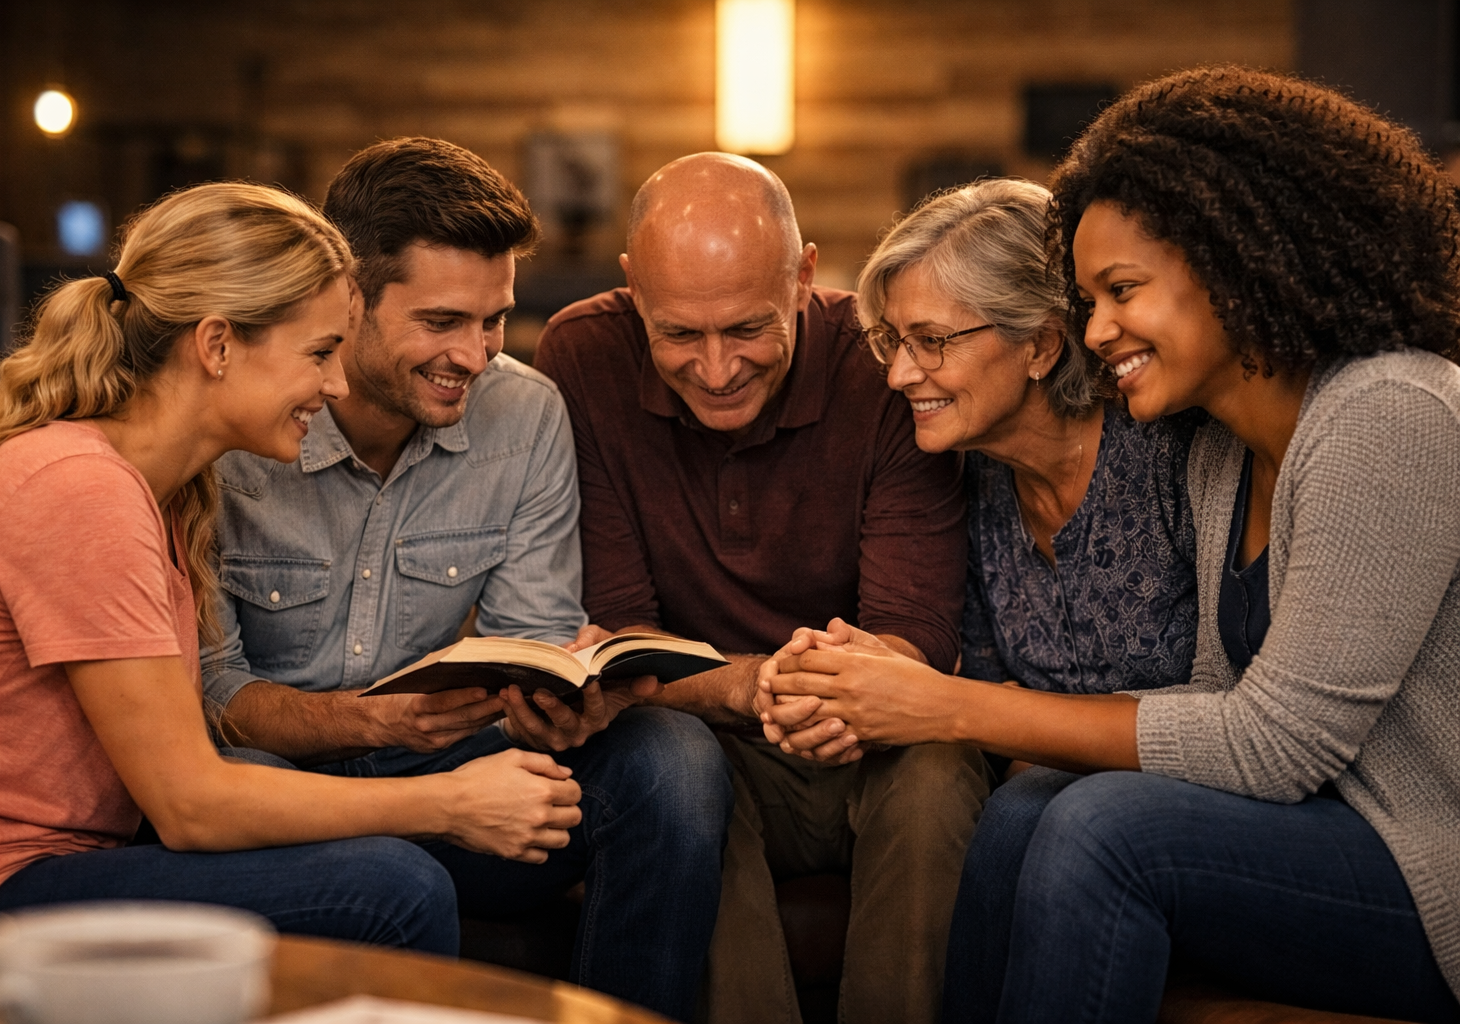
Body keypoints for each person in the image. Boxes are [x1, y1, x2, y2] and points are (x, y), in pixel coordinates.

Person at [765, 66, 1460, 1023]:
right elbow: (1213, 699)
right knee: (1022, 811)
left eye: (1121, 291)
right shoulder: (1224, 454)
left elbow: (1275, 744)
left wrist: (948, 705)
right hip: (1314, 828)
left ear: (1233, 261)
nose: (1097, 331)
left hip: (1427, 866)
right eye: (1089, 299)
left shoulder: (1391, 412)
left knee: (1102, 828)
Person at [0, 181, 585, 951]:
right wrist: (450, 802)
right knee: (394, 887)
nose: (336, 384)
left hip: (74, 859)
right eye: (320, 353)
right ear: (217, 346)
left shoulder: (165, 491)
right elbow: (190, 804)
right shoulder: (82, 489)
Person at [200, 137, 730, 1024]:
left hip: (445, 755)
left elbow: (533, 641)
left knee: (670, 761)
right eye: (442, 322)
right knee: (317, 823)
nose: (476, 356)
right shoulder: (243, 424)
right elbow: (209, 696)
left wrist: (553, 705)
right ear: (349, 298)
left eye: (493, 321)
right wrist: (366, 722)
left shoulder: (524, 414)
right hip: (273, 777)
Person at [533, 152, 989, 1024]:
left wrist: (816, 689)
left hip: (870, 728)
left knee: (938, 766)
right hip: (713, 739)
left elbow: (915, 633)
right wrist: (748, 686)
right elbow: (623, 638)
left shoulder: (885, 364)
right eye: (678, 334)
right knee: (675, 764)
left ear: (805, 275)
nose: (716, 370)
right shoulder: (584, 355)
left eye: (748, 329)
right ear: (632, 288)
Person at [759, 175, 1200, 1020]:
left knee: (1029, 818)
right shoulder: (977, 480)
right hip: (1055, 812)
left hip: (1180, 811)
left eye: (931, 341)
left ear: (1040, 346)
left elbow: (1232, 712)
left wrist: (958, 710)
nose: (899, 374)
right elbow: (993, 699)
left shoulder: (1168, 454)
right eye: (893, 341)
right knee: (1011, 810)